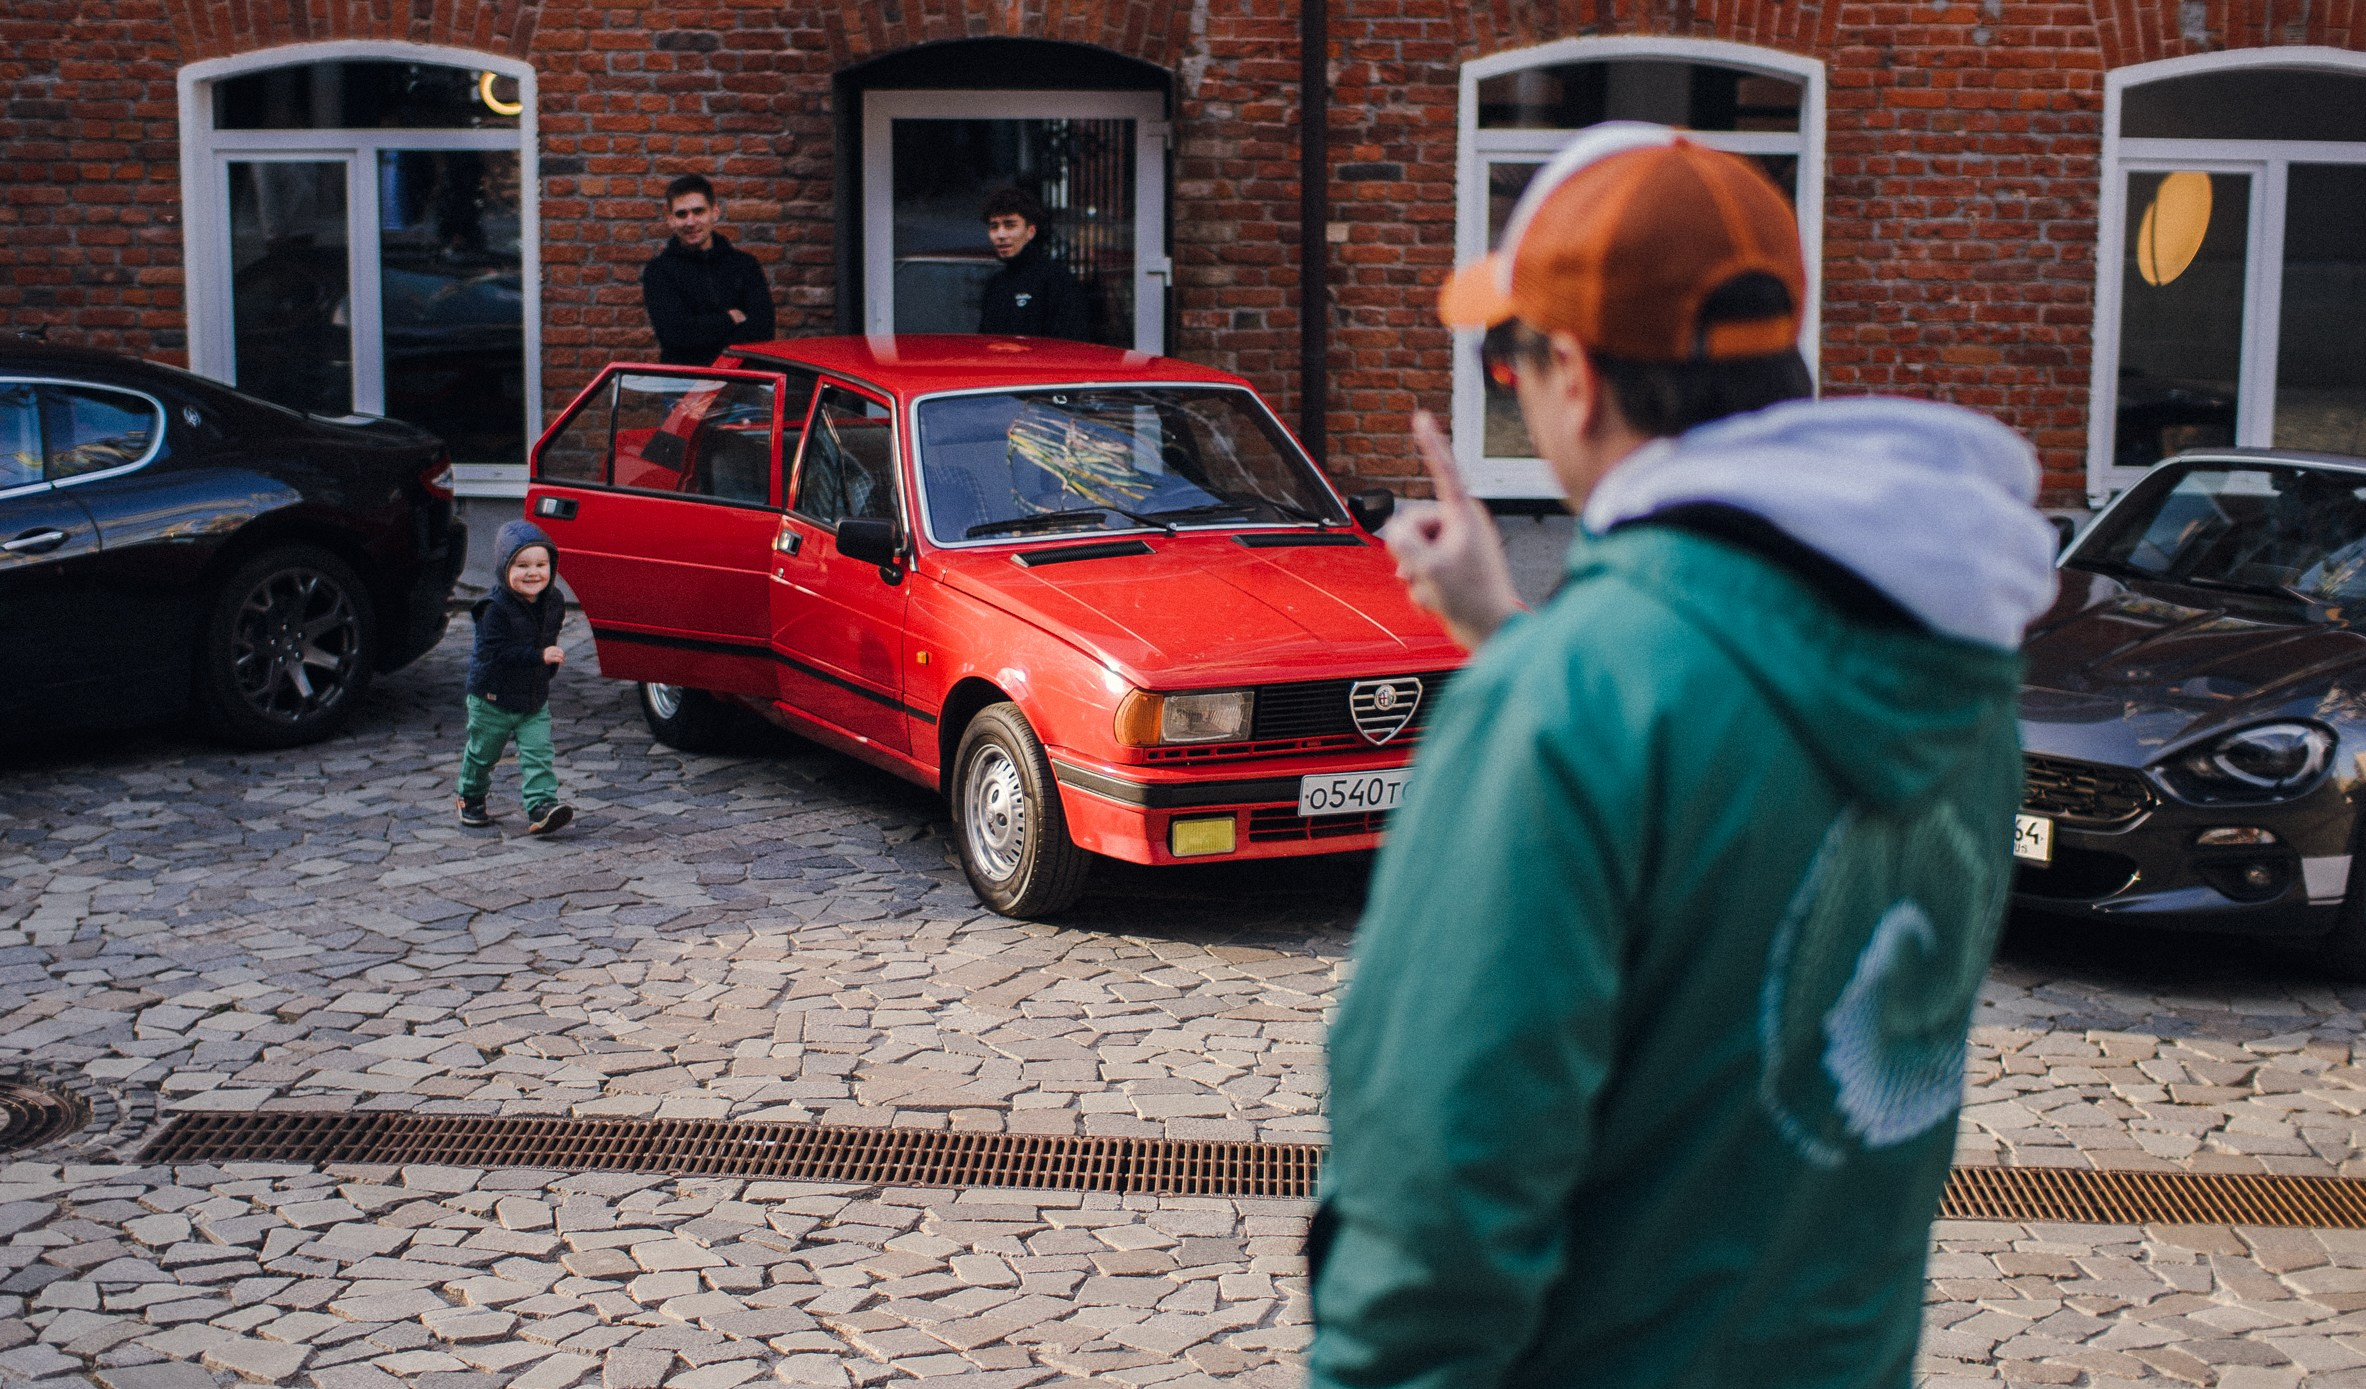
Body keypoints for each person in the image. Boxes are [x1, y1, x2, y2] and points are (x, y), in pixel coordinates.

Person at [1307, 123, 2060, 1387]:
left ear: (1577, 379)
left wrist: (1532, 668)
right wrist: (1508, 628)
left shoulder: (1564, 705)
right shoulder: (1957, 671)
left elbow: (1435, 1204)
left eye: (1509, 358)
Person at [456, 520, 574, 836]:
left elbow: (549, 634)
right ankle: (470, 797)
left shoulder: (554, 602)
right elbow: (498, 655)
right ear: (504, 568)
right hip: (491, 698)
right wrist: (540, 656)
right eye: (522, 565)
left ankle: (542, 806)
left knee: (539, 753)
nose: (532, 573)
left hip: (533, 697)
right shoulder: (493, 609)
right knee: (483, 754)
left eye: (541, 564)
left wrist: (546, 668)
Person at [640, 174, 775, 365]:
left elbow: (762, 331)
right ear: (670, 219)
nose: (690, 221)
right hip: (683, 386)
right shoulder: (659, 272)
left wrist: (699, 329)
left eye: (698, 211)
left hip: (742, 384)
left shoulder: (745, 265)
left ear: (715, 212)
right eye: (681, 214)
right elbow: (674, 335)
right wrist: (729, 319)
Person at [976, 187, 1091, 340]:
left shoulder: (1057, 280)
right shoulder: (995, 285)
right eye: (994, 227)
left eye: (1010, 225)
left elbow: (1070, 344)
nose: (1001, 235)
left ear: (1030, 231)